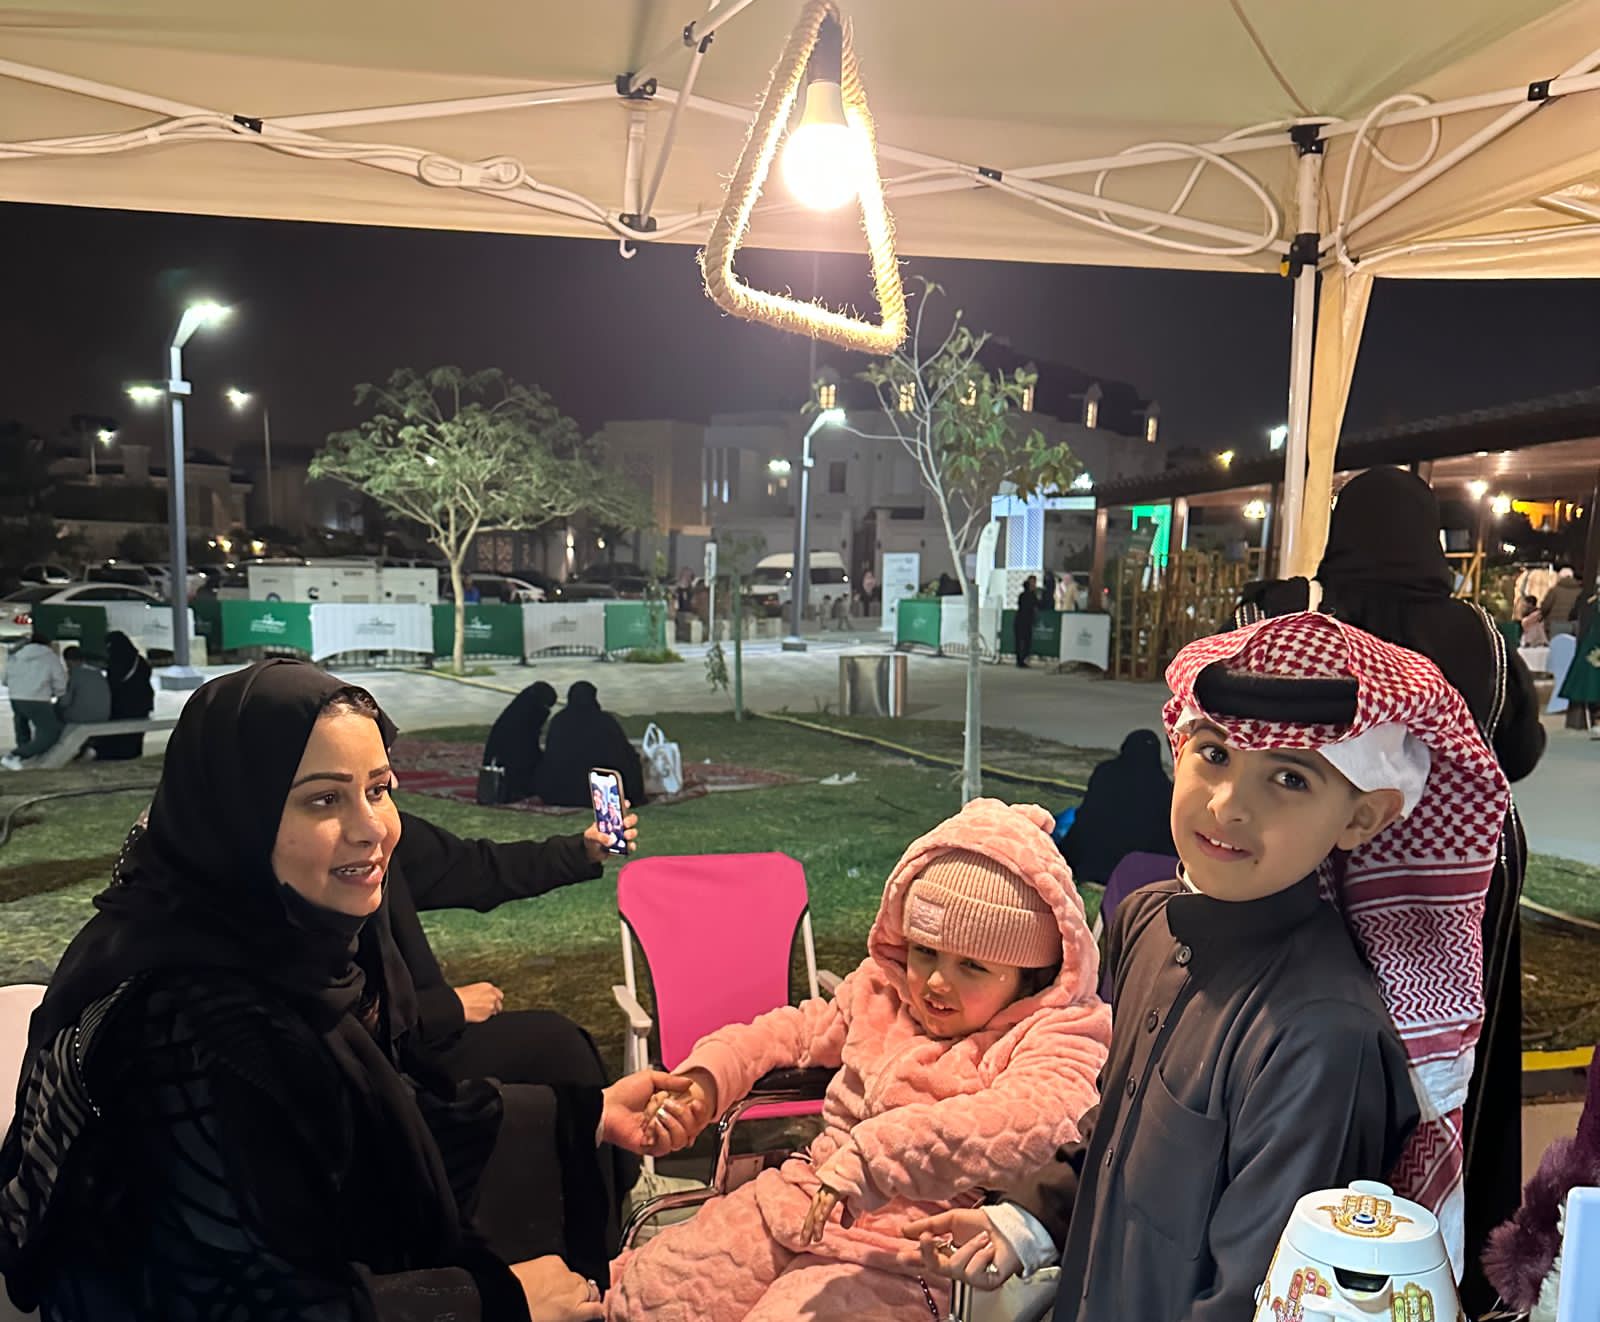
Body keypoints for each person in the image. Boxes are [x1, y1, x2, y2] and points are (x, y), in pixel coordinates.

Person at [0, 659, 686, 1321]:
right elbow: (234, 1299)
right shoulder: (195, 1027)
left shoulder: (278, 945)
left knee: (558, 1067)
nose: (372, 829)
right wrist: (496, 1301)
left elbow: (370, 1123)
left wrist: (587, 1114)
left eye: (379, 789)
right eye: (323, 799)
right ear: (241, 812)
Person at [911, 612, 1511, 1320]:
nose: (1229, 805)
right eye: (1215, 754)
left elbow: (1257, 1294)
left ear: (1362, 818)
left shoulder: (1323, 1038)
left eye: (1289, 777)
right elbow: (1119, 1126)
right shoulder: (1146, 923)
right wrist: (1027, 1220)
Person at [603, 799, 1111, 1322]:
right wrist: (707, 1080)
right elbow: (792, 1032)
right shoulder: (881, 992)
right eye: (925, 952)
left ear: (1030, 975)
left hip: (914, 1250)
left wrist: (876, 1156)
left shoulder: (1058, 1033)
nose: (936, 982)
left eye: (973, 966)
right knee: (653, 1289)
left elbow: (1034, 1119)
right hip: (802, 1197)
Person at [1232, 466, 1545, 1313]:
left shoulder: (1312, 623)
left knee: (1332, 1051)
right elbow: (1519, 754)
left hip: (1333, 860)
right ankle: (1453, 1273)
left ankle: (1317, 1258)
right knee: (1459, 1060)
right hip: (1466, 874)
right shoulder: (1480, 635)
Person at [1057, 730, 1176, 884]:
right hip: (1130, 868)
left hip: (1090, 858)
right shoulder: (1163, 788)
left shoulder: (1105, 772)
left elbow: (1087, 814)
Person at [536, 682, 645, 808]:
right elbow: (624, 753)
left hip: (561, 793)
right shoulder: (605, 721)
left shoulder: (559, 721)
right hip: (602, 792)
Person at [480, 680, 559, 804]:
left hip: (504, 761)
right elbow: (527, 750)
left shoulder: (516, 711)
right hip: (511, 769)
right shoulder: (529, 716)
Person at [1, 631, 67, 770]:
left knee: (22, 728)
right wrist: (59, 694)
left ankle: (21, 758)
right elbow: (59, 681)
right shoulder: (49, 657)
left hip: (16, 698)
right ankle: (15, 755)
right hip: (37, 699)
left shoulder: (17, 656)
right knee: (51, 732)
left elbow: (5, 680)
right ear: (48, 644)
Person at [92, 631, 156, 761]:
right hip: (142, 703)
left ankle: (114, 755)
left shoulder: (116, 661)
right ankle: (133, 754)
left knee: (117, 734)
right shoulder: (140, 660)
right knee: (135, 734)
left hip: (122, 705)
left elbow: (113, 683)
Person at [57, 646, 111, 735]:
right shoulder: (98, 673)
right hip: (103, 718)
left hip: (82, 719)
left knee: (56, 711)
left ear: (68, 661)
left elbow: (64, 702)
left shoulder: (74, 674)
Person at [1540, 564, 1582, 636]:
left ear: (1560, 577)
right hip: (1573, 625)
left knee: (1556, 642)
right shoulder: (1579, 591)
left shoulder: (1554, 590)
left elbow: (1545, 607)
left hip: (1554, 625)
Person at [1014, 575, 1042, 668]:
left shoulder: (1024, 595)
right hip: (1024, 620)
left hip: (1022, 620)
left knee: (1022, 641)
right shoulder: (1030, 595)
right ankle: (1021, 660)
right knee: (1024, 641)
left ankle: (1020, 660)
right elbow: (1037, 605)